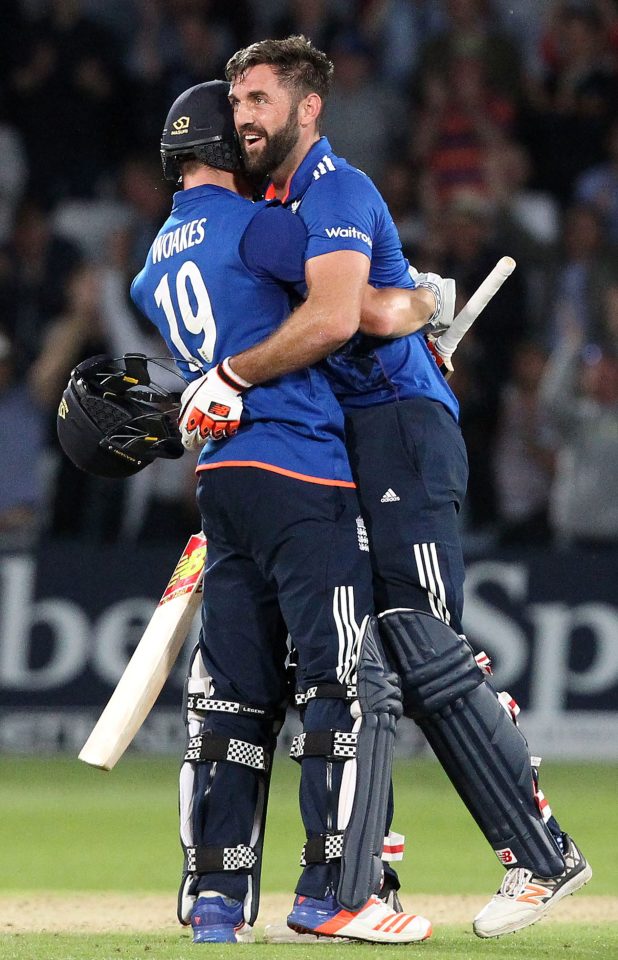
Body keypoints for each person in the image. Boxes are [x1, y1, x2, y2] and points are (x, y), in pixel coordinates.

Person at [176, 35, 591, 940]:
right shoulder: (276, 203)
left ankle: (542, 853)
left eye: (259, 100)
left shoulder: (336, 188)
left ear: (308, 107)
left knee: (416, 642)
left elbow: (345, 312)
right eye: (236, 102)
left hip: (403, 430)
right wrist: (411, 305)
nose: (243, 116)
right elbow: (358, 307)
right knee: (369, 658)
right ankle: (368, 875)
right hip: (354, 439)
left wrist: (402, 308)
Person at [130, 79, 434, 945]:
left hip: (222, 480)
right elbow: (347, 310)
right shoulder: (262, 225)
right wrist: (423, 306)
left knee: (229, 699)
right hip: (301, 468)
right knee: (339, 678)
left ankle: (215, 902)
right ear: (229, 145)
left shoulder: (152, 263)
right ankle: (331, 889)